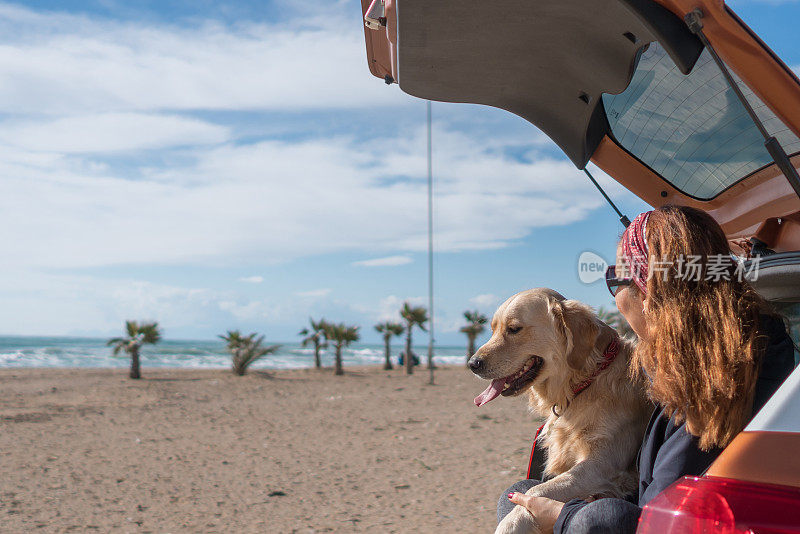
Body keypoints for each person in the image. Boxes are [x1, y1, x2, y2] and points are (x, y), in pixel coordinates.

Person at [496, 205, 795, 534]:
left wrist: (566, 516)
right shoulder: (734, 353)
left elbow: (660, 513)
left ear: (650, 290)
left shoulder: (715, 380)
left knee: (592, 516)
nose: (616, 301)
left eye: (616, 281)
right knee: (520, 497)